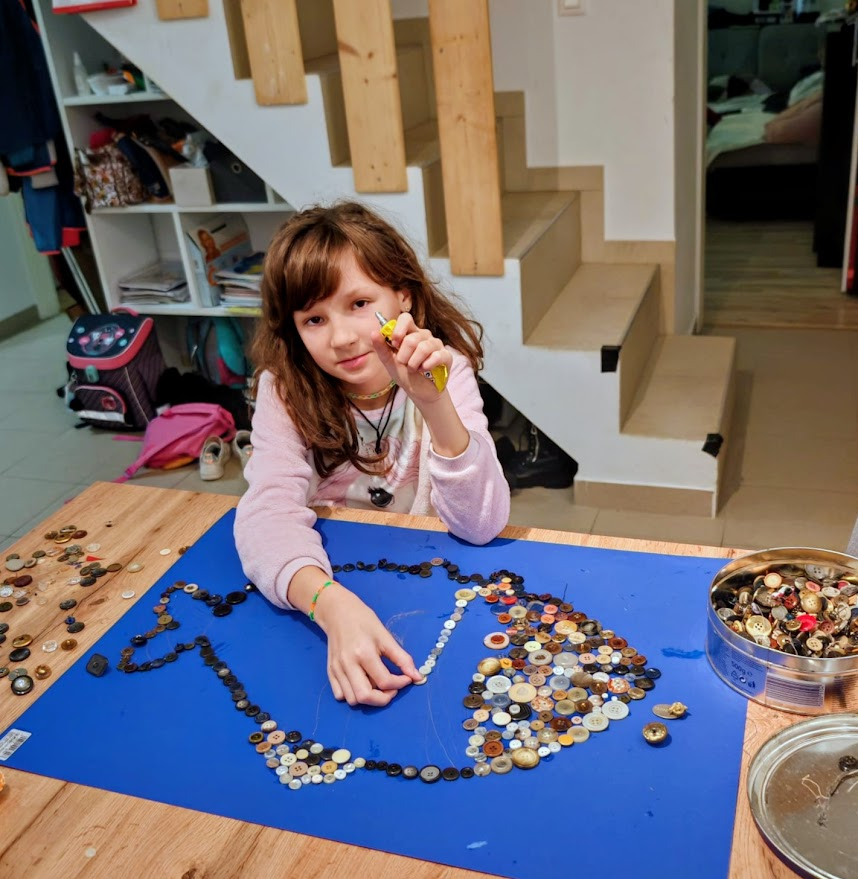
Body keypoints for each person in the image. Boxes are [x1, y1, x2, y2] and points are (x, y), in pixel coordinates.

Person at [234, 201, 510, 708]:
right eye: (314, 319)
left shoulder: (447, 370)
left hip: (425, 578)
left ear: (403, 295)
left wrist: (433, 402)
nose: (341, 338)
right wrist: (330, 604)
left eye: (359, 303)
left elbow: (481, 525)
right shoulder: (284, 389)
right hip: (319, 577)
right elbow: (265, 514)